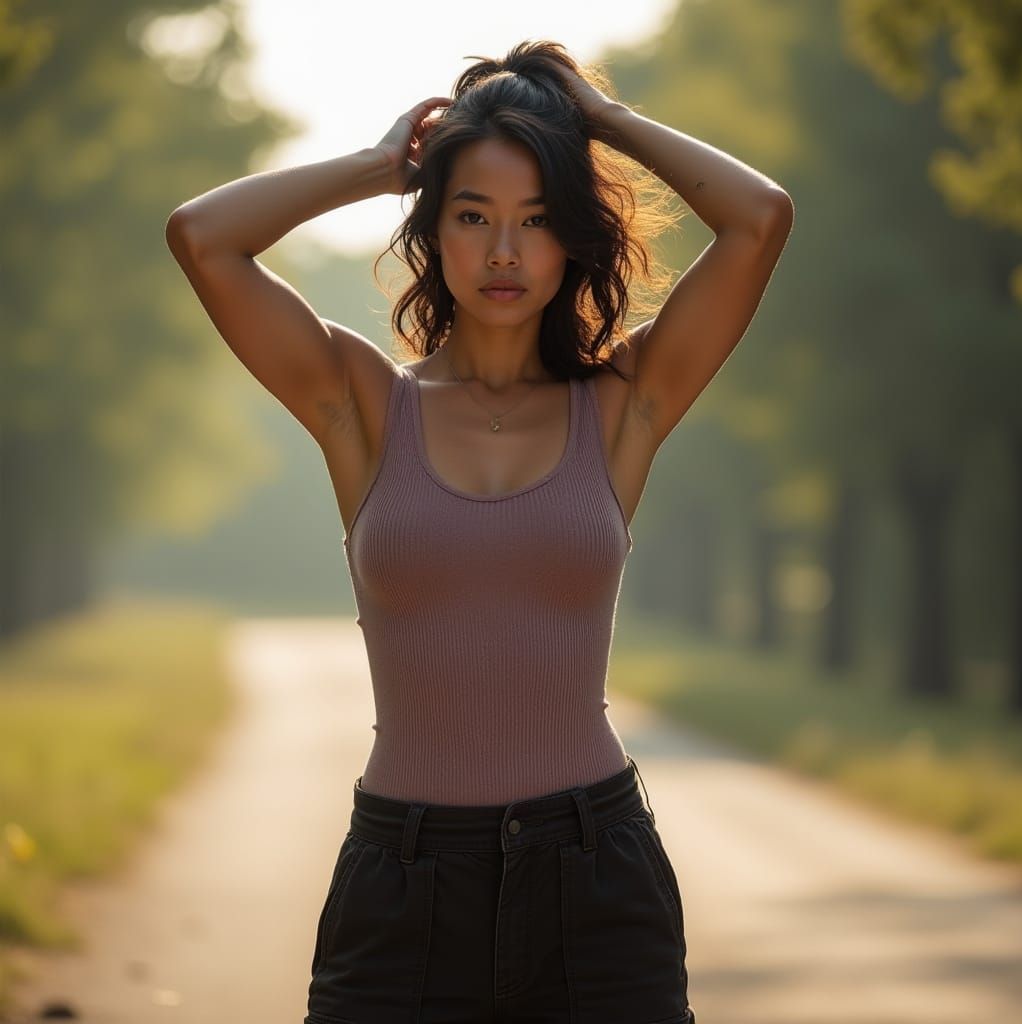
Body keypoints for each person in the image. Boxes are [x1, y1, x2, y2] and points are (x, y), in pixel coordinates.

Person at [166, 38, 793, 1024]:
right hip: (403, 884)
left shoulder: (621, 402)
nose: (504, 253)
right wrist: (382, 163)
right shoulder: (360, 402)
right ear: (432, 230)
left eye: (537, 221)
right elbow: (203, 237)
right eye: (473, 216)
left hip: (595, 881)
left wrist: (602, 119)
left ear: (572, 240)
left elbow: (758, 220)